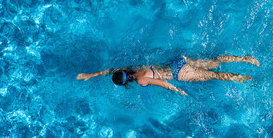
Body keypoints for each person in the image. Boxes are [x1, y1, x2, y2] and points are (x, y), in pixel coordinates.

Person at [76, 55, 259, 96]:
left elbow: (162, 83)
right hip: (177, 62)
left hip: (181, 73)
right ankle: (242, 58)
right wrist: (92, 74)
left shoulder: (140, 80)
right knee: (213, 62)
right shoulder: (132, 68)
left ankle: (245, 79)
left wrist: (178, 90)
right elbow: (111, 70)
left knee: (215, 76)